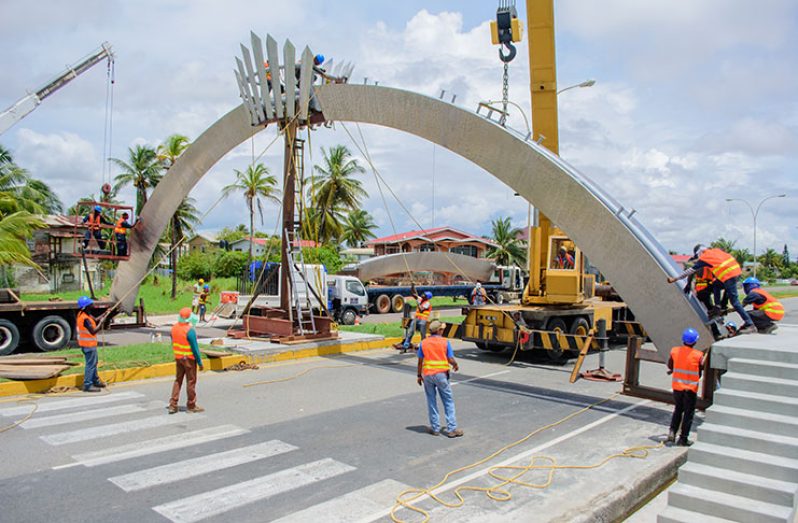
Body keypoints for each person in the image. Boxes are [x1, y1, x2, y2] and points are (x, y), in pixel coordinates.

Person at [668, 244, 755, 334]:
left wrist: (675, 278)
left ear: (700, 253)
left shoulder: (705, 258)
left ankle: (750, 324)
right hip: (735, 272)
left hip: (729, 276)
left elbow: (690, 271)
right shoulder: (716, 251)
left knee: (735, 302)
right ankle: (717, 307)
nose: (698, 258)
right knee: (716, 285)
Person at [417, 320, 462, 437]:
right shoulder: (445, 342)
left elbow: (420, 361)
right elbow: (450, 359)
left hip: (427, 375)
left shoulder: (424, 342)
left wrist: (418, 375)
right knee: (448, 401)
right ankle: (452, 429)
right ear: (439, 330)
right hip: (441, 375)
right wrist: (455, 365)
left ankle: (435, 428)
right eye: (442, 329)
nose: (443, 330)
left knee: (431, 401)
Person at [667, 328, 705, 447]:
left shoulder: (674, 351)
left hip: (677, 388)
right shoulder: (698, 355)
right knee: (688, 414)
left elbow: (670, 365)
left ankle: (672, 432)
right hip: (690, 390)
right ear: (695, 342)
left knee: (678, 409)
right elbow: (701, 369)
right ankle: (683, 439)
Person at [169, 307, 204, 414]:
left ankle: (173, 405)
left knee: (178, 380)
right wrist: (199, 362)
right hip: (189, 359)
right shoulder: (190, 331)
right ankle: (191, 405)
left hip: (178, 358)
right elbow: (195, 348)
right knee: (191, 381)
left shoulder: (173, 328)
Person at [76, 296, 108, 392]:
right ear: (86, 307)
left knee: (94, 363)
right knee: (90, 364)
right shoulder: (85, 318)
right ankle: (88, 385)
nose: (93, 305)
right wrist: (101, 323)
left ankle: (95, 381)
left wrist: (105, 314)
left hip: (89, 344)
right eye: (90, 304)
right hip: (88, 345)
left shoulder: (85, 314)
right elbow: (93, 331)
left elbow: (96, 320)